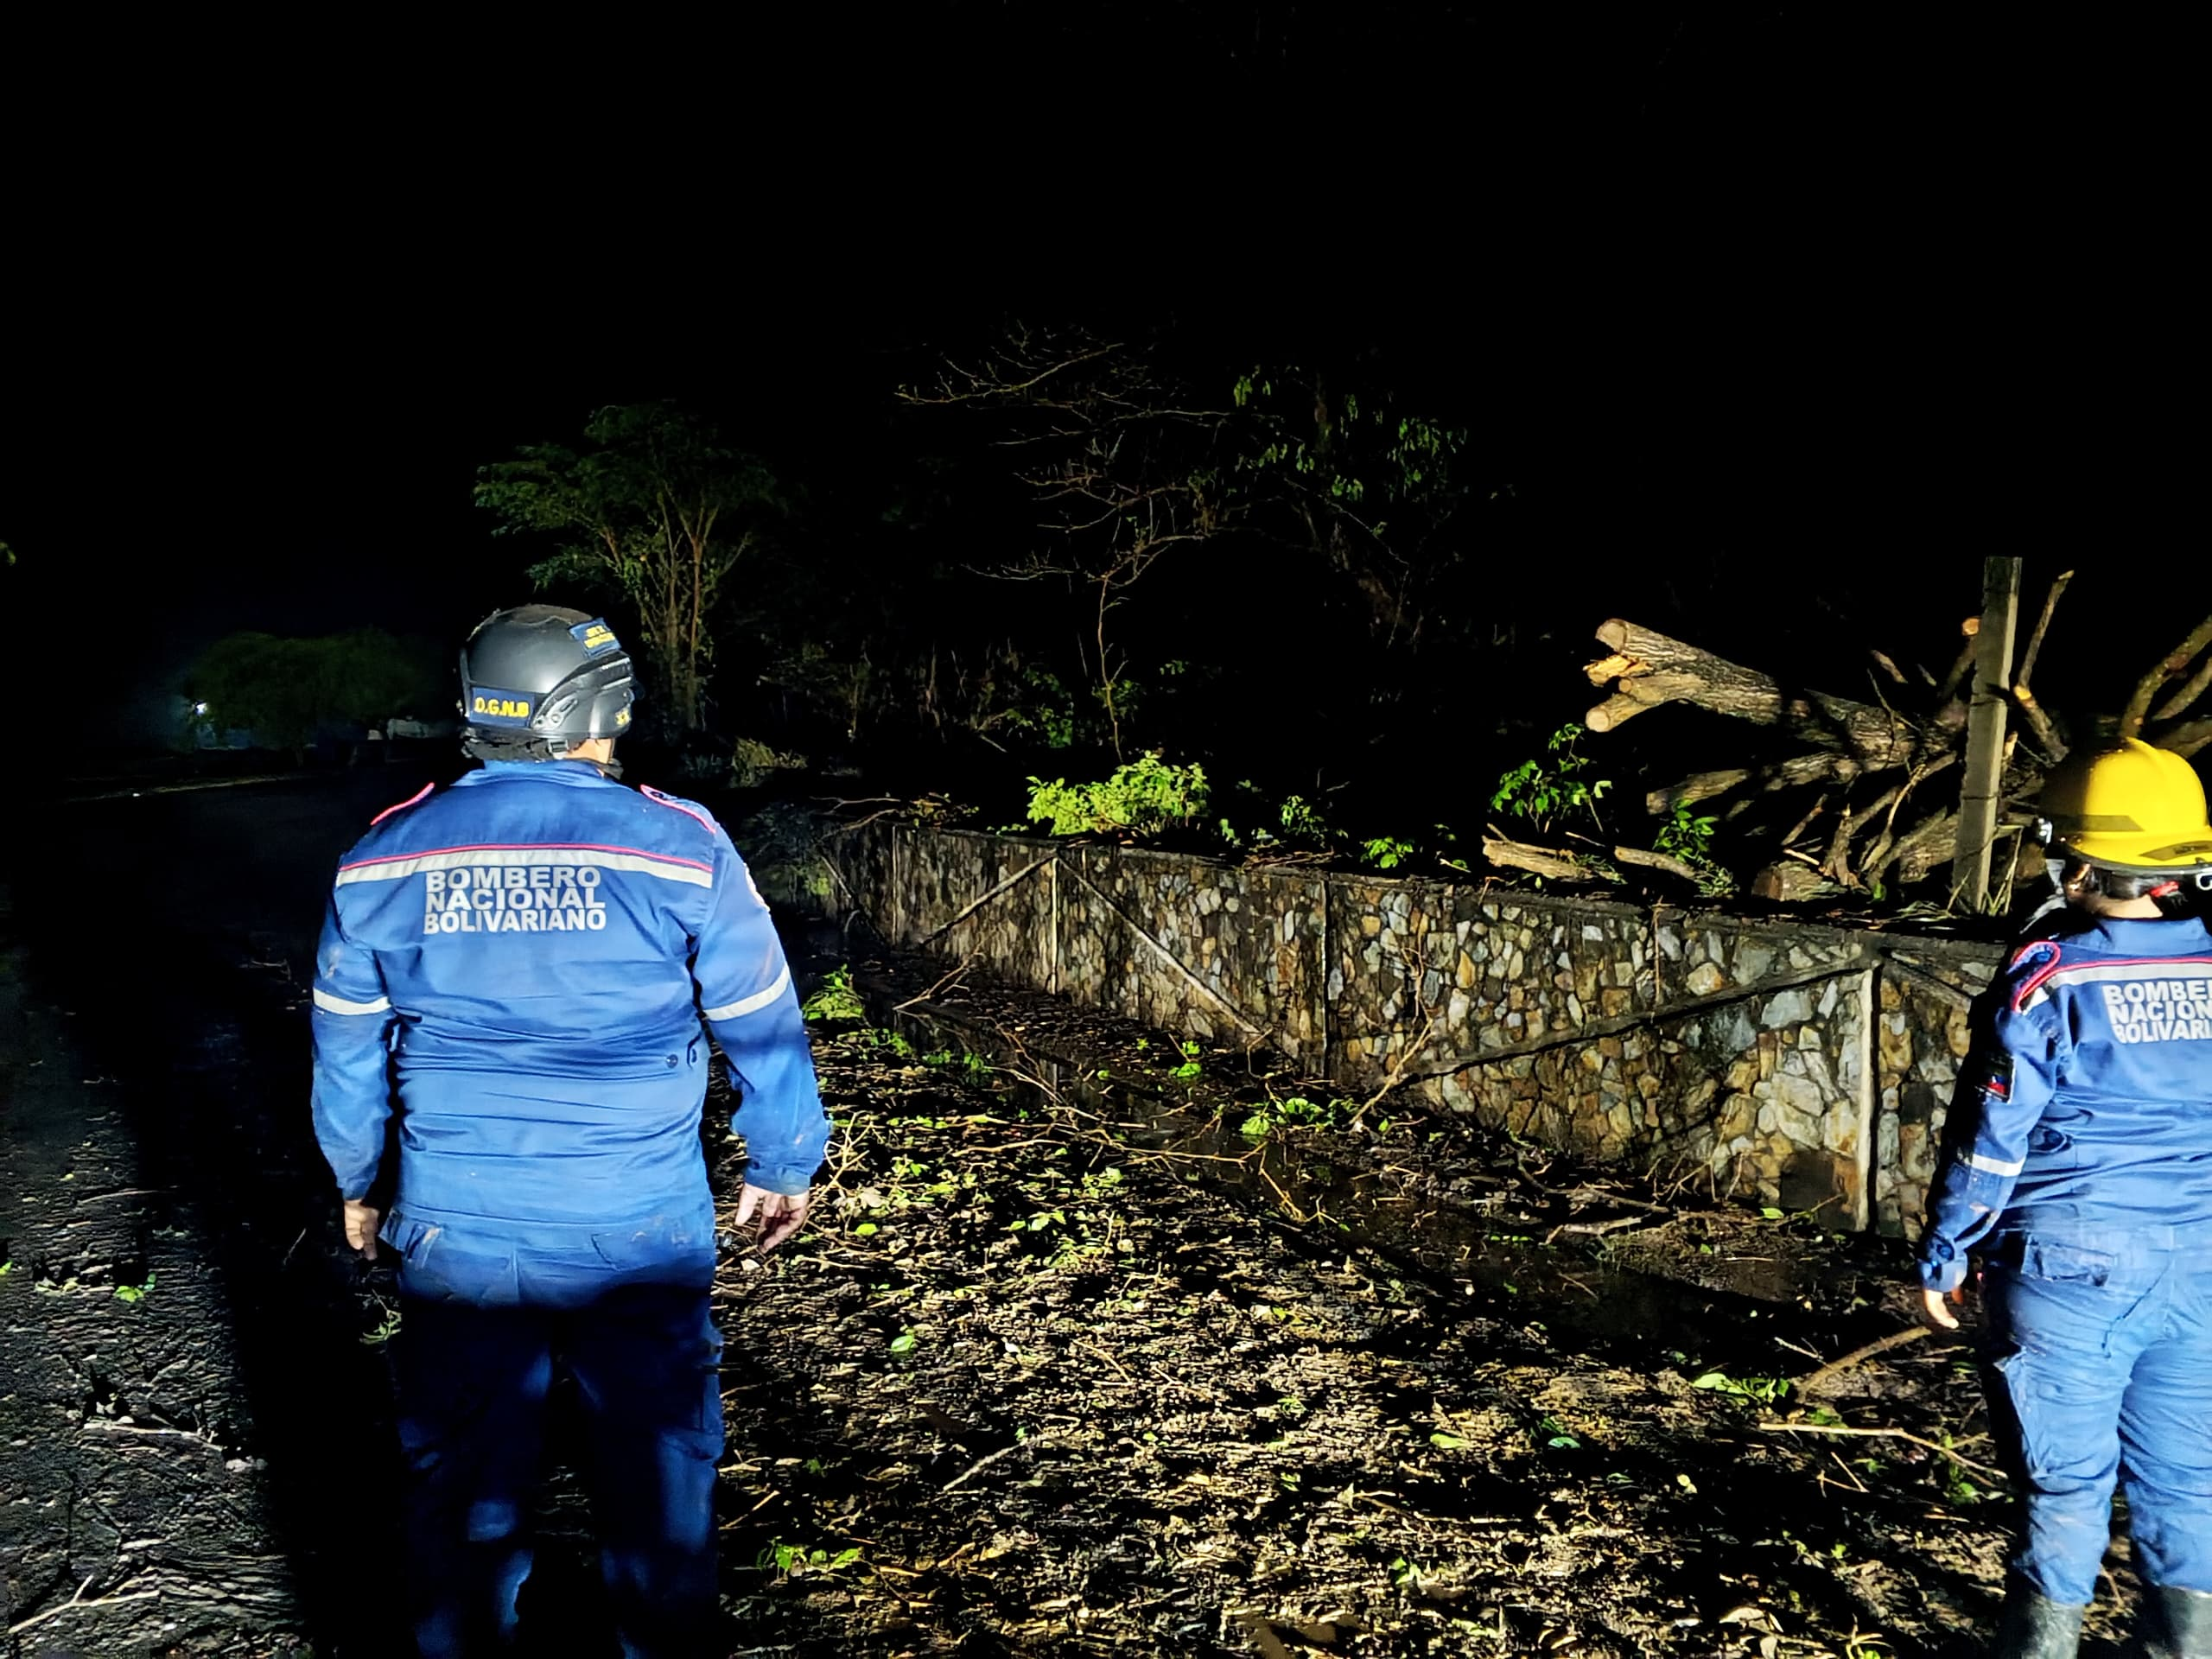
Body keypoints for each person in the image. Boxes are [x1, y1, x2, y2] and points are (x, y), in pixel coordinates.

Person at [308, 605, 830, 1658]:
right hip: (637, 1223)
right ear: (602, 709)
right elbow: (760, 1020)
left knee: (464, 1484)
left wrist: (360, 1184)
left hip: (457, 1225)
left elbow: (346, 1055)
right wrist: (783, 1161)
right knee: (659, 1478)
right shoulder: (680, 845)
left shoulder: (381, 857)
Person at [1917, 738, 2212, 1659]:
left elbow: (1992, 1135)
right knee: (2189, 1482)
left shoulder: (2052, 976)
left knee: (2066, 1490)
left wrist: (1947, 1251)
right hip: (2202, 1262)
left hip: (2068, 1265)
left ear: (2078, 863)